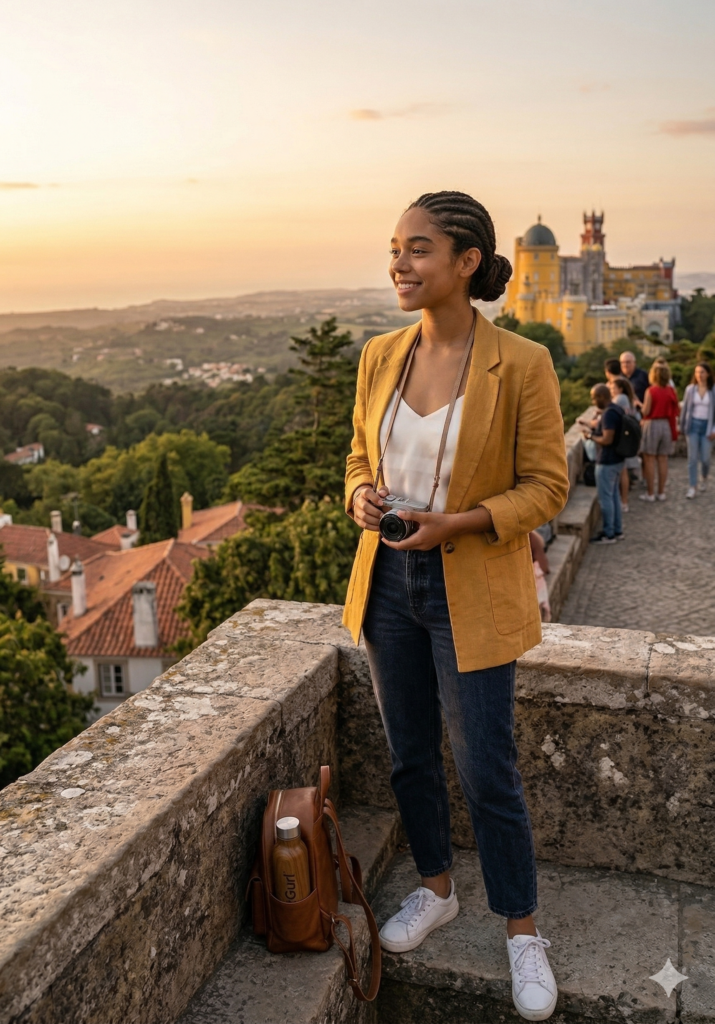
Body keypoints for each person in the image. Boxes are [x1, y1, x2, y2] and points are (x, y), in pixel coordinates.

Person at [344, 191, 569, 1022]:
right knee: (408, 752)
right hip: (388, 587)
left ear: (467, 262)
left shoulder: (523, 361)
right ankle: (435, 889)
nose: (399, 264)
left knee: (486, 768)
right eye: (395, 249)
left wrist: (462, 521)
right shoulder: (378, 355)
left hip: (467, 581)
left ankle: (520, 931)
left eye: (418, 249)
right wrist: (362, 496)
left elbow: (548, 487)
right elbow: (355, 461)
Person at [582, 384, 625, 543]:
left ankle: (609, 534)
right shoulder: (616, 409)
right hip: (617, 460)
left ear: (601, 397)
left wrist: (590, 436)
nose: (593, 401)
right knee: (614, 496)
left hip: (607, 460)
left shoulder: (608, 415)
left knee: (606, 498)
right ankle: (617, 530)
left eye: (594, 398)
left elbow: (607, 439)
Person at [639, 361, 679, 502]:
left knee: (649, 459)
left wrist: (639, 405)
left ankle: (650, 493)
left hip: (652, 425)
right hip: (666, 425)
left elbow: (646, 411)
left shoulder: (651, 391)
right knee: (663, 460)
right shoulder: (671, 391)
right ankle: (661, 492)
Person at [680, 362, 715, 499]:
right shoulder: (690, 389)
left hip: (707, 425)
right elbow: (685, 409)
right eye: (697, 372)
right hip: (693, 425)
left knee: (706, 458)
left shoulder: (713, 390)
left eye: (702, 372)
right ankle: (692, 486)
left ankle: (704, 476)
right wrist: (682, 426)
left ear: (708, 374)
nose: (699, 375)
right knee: (692, 458)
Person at [607, 376, 638, 511]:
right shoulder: (626, 398)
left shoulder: (620, 399)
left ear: (620, 389)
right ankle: (623, 501)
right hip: (624, 438)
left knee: (623, 471)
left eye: (613, 388)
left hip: (621, 439)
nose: (611, 390)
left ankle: (624, 502)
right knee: (623, 470)